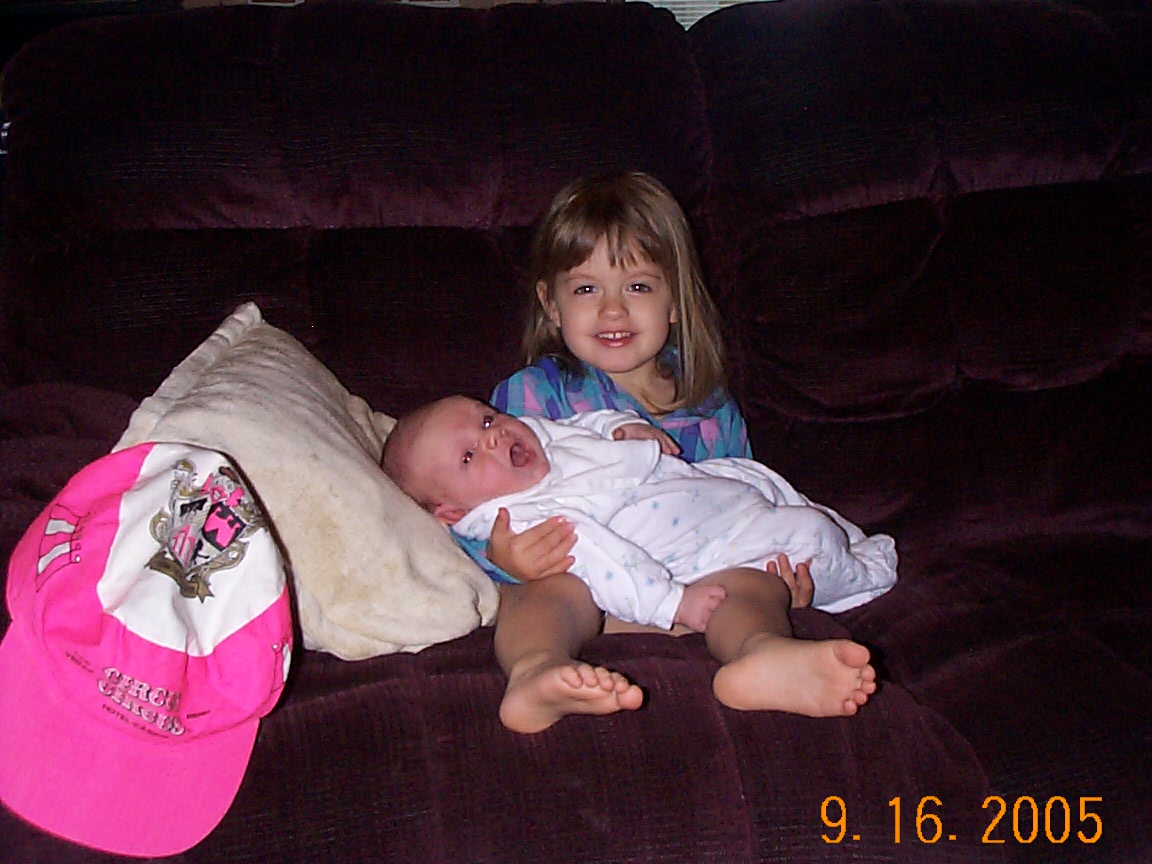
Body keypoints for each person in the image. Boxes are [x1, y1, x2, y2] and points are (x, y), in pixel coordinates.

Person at [382, 395, 897, 733]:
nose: (492, 437)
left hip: (709, 548)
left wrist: (624, 426)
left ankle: (762, 653)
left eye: (487, 420)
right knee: (541, 593)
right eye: (468, 457)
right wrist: (674, 602)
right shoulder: (519, 516)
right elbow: (606, 557)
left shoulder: (541, 438)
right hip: (627, 584)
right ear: (453, 512)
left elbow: (583, 427)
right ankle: (536, 669)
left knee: (747, 589)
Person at [469, 170, 753, 585]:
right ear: (551, 304)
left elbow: (747, 504)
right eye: (586, 290)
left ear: (675, 300)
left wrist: (777, 567)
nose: (613, 310)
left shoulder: (711, 407)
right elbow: (472, 512)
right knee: (549, 599)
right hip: (577, 577)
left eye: (638, 287)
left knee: (751, 593)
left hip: (695, 579)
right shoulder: (531, 398)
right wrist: (502, 559)